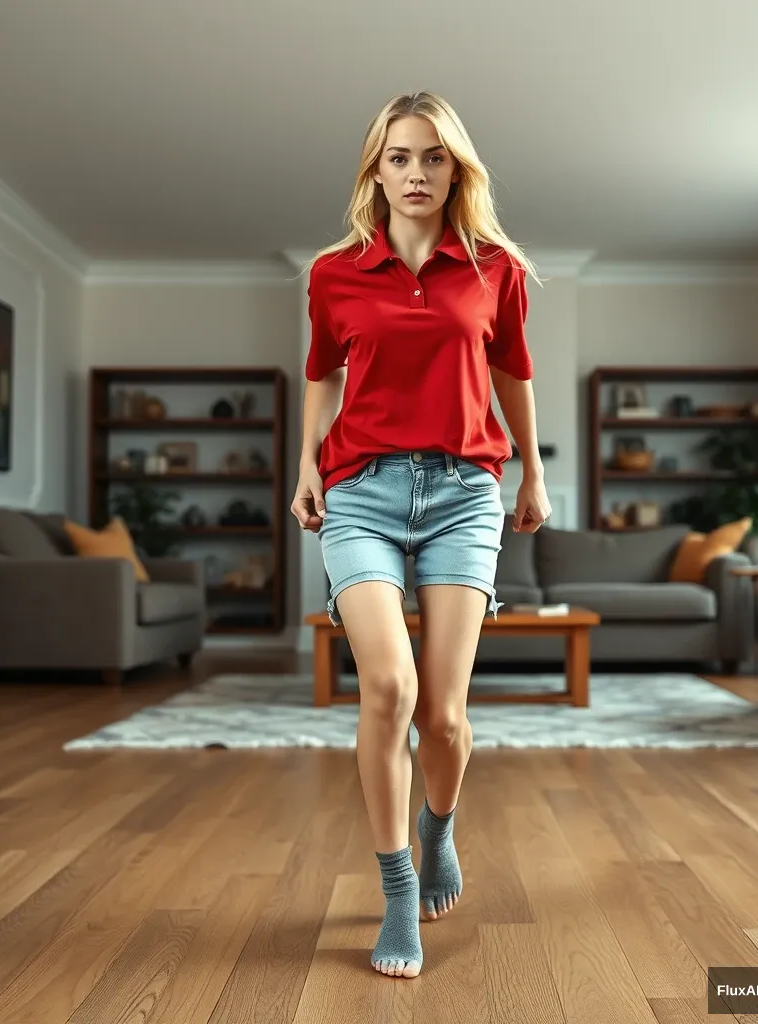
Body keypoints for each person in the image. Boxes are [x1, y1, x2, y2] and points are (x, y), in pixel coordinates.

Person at [290, 91, 551, 979]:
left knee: (443, 716)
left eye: (433, 158)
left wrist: (533, 472)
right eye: (399, 157)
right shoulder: (333, 273)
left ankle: (440, 832)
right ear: (376, 169)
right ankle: (397, 890)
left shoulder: (494, 268)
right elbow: (322, 374)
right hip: (359, 489)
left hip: (464, 492)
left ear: (455, 170)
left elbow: (512, 369)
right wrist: (305, 466)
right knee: (389, 691)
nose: (415, 173)